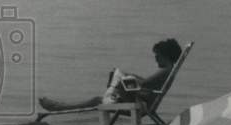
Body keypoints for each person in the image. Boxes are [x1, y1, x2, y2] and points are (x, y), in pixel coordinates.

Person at [38, 37, 182, 113]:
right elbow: (147, 85)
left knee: (96, 100)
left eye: (157, 55)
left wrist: (125, 80)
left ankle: (59, 107)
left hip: (138, 103)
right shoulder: (169, 70)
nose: (155, 58)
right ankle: (60, 106)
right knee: (119, 79)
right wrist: (130, 76)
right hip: (142, 100)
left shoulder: (165, 70)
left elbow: (143, 85)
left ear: (165, 55)